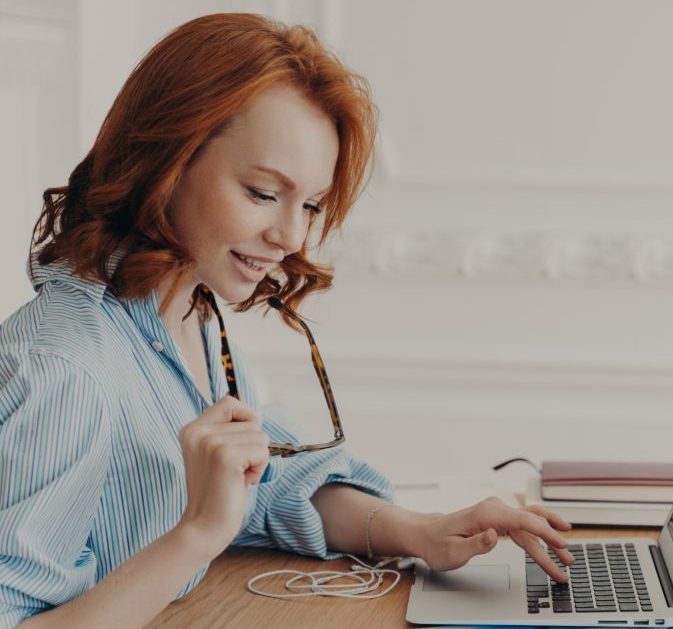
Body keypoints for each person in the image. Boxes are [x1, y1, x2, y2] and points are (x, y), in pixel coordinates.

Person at [0, 13, 573, 629]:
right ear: (165, 161)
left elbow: (267, 483)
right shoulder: (69, 373)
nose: (289, 235)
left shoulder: (189, 314)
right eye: (263, 193)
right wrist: (197, 534)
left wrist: (422, 532)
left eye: (309, 205)